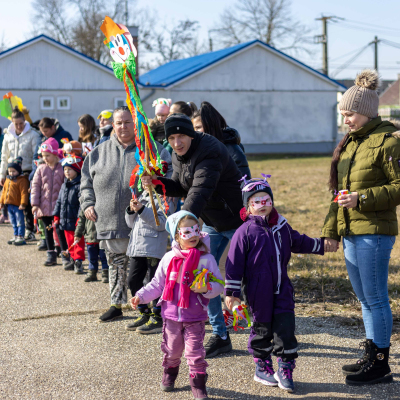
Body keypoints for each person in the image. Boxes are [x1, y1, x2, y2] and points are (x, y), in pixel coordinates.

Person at [141, 113, 243, 358]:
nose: (177, 143)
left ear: (191, 134)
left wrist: (181, 225)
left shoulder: (209, 149)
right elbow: (180, 184)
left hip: (234, 220)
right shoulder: (179, 154)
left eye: (181, 136)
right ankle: (220, 336)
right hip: (210, 221)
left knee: (245, 275)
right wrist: (158, 183)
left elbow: (199, 189)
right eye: (172, 138)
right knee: (203, 276)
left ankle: (262, 330)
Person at [322, 69, 400, 386]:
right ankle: (371, 353)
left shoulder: (387, 142)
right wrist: (330, 230)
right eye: (342, 114)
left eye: (349, 113)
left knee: (376, 298)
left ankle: (380, 364)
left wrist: (362, 197)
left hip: (375, 232)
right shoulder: (352, 143)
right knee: (365, 299)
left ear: (367, 111)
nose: (346, 120)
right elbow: (338, 193)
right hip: (352, 231)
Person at [224, 175, 325, 393]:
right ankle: (262, 366)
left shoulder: (282, 226)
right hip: (257, 292)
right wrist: (231, 293)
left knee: (285, 329)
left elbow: (299, 241)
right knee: (261, 329)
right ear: (248, 207)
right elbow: (234, 265)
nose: (262, 205)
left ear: (272, 202)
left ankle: (286, 368)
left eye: (266, 200)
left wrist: (321, 245)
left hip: (283, 289)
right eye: (256, 201)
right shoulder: (244, 232)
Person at [80, 106, 172, 322]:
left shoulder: (152, 150)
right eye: (119, 122)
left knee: (146, 270)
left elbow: (169, 174)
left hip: (145, 223)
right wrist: (88, 204)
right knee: (116, 264)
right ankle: (116, 303)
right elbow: (85, 183)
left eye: (128, 122)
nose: (123, 126)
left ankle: (151, 309)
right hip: (109, 220)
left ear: (136, 124)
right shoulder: (98, 153)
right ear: (113, 125)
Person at [131, 211, 224, 399]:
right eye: (186, 232)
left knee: (194, 353)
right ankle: (170, 373)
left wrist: (206, 287)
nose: (193, 236)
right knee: (172, 351)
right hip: (171, 316)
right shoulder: (168, 259)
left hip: (195, 316)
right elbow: (157, 284)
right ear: (176, 236)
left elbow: (219, 285)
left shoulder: (206, 259)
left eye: (196, 230)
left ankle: (198, 385)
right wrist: (141, 296)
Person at [125, 183, 175, 333]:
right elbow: (130, 224)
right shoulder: (141, 196)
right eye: (143, 179)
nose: (145, 183)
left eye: (148, 179)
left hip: (153, 248)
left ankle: (158, 317)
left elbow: (161, 223)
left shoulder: (165, 198)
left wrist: (141, 209)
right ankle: (144, 312)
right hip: (137, 247)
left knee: (156, 283)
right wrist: (131, 210)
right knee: (133, 281)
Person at [0, 107, 41, 240]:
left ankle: (29, 230)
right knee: (13, 202)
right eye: (16, 124)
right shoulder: (7, 135)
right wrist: (2, 174)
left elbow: (36, 156)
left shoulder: (33, 135)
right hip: (11, 174)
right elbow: (4, 157)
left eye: (21, 123)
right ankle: (17, 232)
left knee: (27, 202)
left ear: (24, 121)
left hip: (27, 172)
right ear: (12, 122)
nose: (18, 126)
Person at [192, 101, 251, 177]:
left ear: (210, 126)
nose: (195, 132)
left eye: (198, 127)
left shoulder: (232, 150)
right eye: (193, 128)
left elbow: (244, 181)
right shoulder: (198, 148)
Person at [31, 138, 64, 266]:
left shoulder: (62, 169)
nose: (45, 159)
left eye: (48, 156)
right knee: (48, 230)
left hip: (58, 208)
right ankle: (51, 254)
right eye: (43, 156)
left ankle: (63, 251)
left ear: (55, 154)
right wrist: (35, 205)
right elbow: (35, 187)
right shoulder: (41, 169)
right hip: (44, 209)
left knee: (60, 230)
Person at [53, 156, 85, 273]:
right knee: (69, 242)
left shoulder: (80, 185)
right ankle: (72, 259)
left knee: (78, 242)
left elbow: (81, 204)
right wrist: (56, 215)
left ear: (76, 170)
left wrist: (79, 219)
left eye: (69, 169)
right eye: (65, 170)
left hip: (75, 220)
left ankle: (79, 261)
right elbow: (59, 201)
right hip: (65, 220)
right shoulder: (64, 185)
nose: (67, 172)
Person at [0, 157, 29, 246]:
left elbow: (24, 193)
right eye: (10, 171)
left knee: (19, 220)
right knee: (13, 221)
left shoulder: (22, 180)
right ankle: (16, 235)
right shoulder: (8, 180)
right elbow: (4, 192)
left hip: (18, 205)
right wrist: (1, 202)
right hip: (9, 205)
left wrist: (23, 203)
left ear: (18, 171)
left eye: (14, 171)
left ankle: (21, 236)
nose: (11, 173)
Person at [75, 208, 109, 283]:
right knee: (92, 258)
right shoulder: (86, 206)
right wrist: (78, 234)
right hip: (90, 237)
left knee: (104, 257)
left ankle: (106, 273)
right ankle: (92, 272)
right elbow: (81, 221)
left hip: (103, 237)